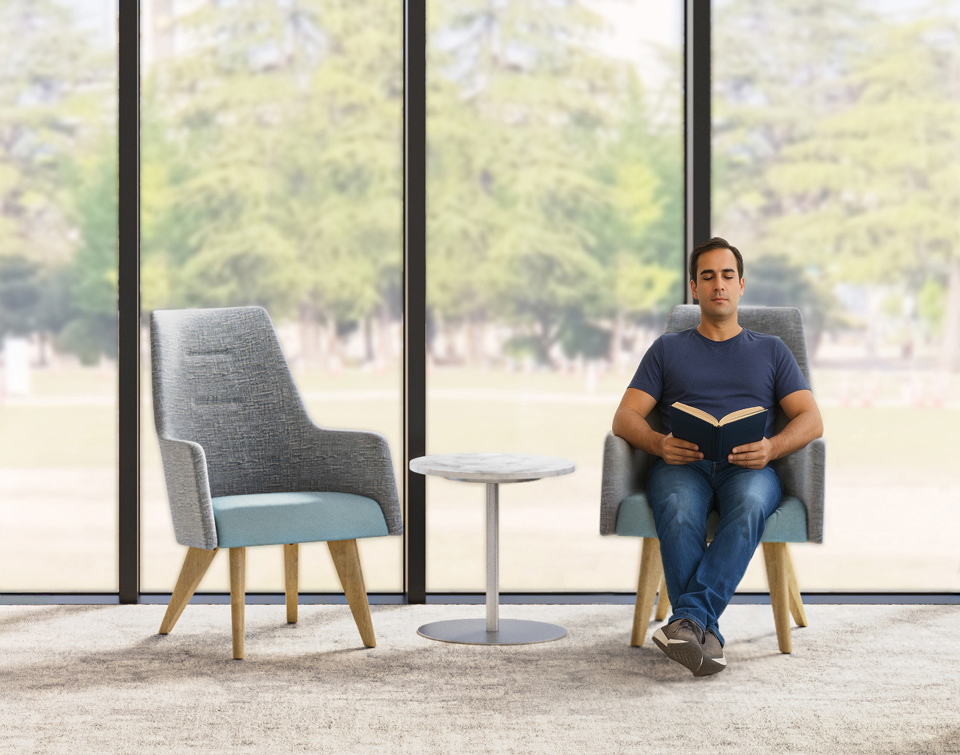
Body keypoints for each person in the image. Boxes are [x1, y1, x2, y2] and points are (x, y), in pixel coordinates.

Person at [611, 237, 823, 676]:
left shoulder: (771, 350)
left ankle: (688, 622)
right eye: (708, 276)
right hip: (680, 464)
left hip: (750, 468)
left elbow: (811, 419)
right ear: (694, 287)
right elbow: (625, 417)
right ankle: (705, 632)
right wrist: (658, 444)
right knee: (676, 507)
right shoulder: (667, 349)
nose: (718, 284)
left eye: (727, 275)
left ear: (741, 285)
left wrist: (772, 447)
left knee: (748, 506)